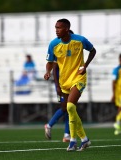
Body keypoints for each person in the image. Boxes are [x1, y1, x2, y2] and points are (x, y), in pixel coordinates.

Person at [44, 19, 96, 151]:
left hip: (78, 78)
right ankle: (84, 140)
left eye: (59, 28)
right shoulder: (53, 44)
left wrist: (85, 65)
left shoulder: (80, 40)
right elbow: (50, 62)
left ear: (67, 29)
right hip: (64, 81)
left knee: (70, 106)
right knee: (69, 109)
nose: (56, 30)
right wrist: (47, 72)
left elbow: (93, 50)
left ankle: (72, 141)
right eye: (55, 27)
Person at [44, 30, 74, 143]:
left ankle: (66, 134)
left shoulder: (71, 50)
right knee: (65, 107)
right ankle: (49, 125)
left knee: (70, 108)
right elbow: (55, 69)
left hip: (71, 82)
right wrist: (57, 85)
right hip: (61, 84)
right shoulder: (59, 50)